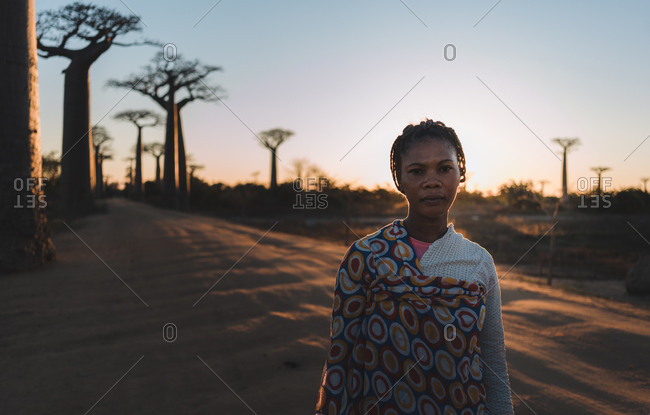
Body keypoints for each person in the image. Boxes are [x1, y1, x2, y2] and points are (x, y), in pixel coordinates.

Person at [315, 119, 514, 414]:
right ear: (399, 180)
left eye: (444, 168)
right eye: (417, 171)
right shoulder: (365, 257)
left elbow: (494, 364)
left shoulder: (479, 261)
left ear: (461, 174)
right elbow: (342, 359)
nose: (432, 181)